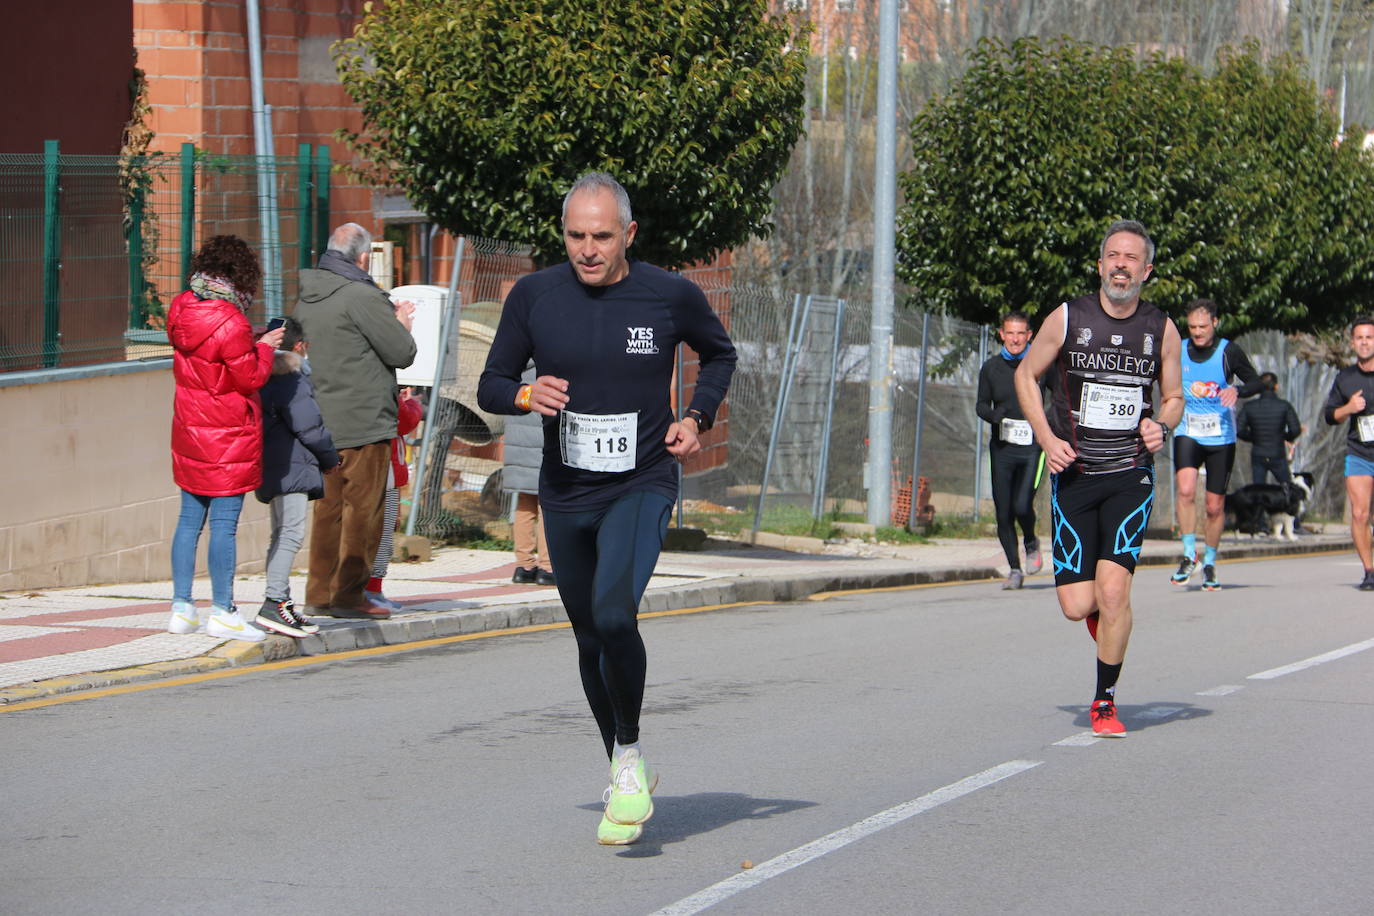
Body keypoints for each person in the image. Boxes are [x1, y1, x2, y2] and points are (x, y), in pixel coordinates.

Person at [477, 172, 737, 845]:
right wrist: (530, 397)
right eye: (575, 236)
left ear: (629, 234)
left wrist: (697, 416)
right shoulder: (535, 295)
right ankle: (623, 763)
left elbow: (719, 353)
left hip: (642, 479)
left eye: (600, 236)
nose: (587, 250)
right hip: (566, 490)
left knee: (617, 613)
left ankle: (627, 752)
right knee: (590, 638)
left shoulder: (669, 295)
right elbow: (493, 382)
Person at [1014, 219, 1183, 738]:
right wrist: (1045, 436)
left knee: (1114, 595)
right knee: (1077, 605)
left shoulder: (1163, 329)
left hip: (1130, 475)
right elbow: (1026, 374)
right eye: (1113, 255)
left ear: (1146, 271)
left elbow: (1174, 397)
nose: (1120, 265)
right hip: (1075, 473)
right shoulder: (1068, 318)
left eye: (1131, 258)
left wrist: (1162, 424)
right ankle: (1105, 625)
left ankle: (1104, 702)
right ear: (1100, 264)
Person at [293, 223, 417, 620]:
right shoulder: (362, 296)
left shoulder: (308, 296)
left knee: (327, 510)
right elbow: (402, 352)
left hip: (321, 422)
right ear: (363, 258)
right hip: (364, 421)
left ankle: (319, 593)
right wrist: (402, 324)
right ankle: (349, 595)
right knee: (364, 510)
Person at [165, 235, 286, 643]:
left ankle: (181, 608)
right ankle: (224, 611)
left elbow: (209, 362)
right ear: (240, 275)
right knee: (224, 525)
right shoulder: (231, 320)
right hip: (227, 433)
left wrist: (250, 347)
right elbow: (248, 377)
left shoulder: (182, 306)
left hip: (190, 427)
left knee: (187, 521)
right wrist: (266, 347)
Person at [254, 317, 341, 637]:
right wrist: (330, 459)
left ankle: (281, 601)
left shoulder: (262, 375)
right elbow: (310, 426)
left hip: (271, 463)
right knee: (290, 534)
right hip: (292, 464)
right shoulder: (292, 377)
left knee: (279, 534)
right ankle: (274, 602)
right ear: (301, 346)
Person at [1167, 298, 1262, 591]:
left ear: (1215, 323)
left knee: (1214, 505)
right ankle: (1187, 554)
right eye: (1193, 327)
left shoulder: (1227, 352)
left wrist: (1237, 390)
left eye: (1203, 327)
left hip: (1221, 435)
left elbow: (1256, 382)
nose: (1197, 332)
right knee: (1184, 490)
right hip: (1188, 430)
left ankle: (1209, 561)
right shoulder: (1178, 350)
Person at [976, 310, 1047, 589]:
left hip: (1032, 447)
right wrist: (996, 416)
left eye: (1021, 333)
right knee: (1003, 512)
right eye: (1010, 333)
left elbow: (1057, 398)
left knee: (1021, 505)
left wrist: (1046, 427)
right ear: (1001, 334)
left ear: (1029, 335)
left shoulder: (1040, 365)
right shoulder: (991, 367)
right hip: (1002, 448)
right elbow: (981, 405)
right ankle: (1014, 569)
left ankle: (1030, 540)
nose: (1015, 339)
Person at [1323, 317, 1374, 591]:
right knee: (1359, 514)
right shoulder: (1345, 378)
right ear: (1353, 342)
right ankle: (1369, 571)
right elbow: (1330, 416)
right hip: (1360, 453)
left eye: (1370, 337)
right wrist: (1350, 407)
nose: (1365, 342)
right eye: (1360, 338)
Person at [364, 386, 424, 611]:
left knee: (377, 533)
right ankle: (373, 589)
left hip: (376, 471)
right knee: (383, 534)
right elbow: (406, 420)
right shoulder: (384, 387)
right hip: (386, 470)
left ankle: (368, 588)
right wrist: (413, 403)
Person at [503, 366, 556, 586]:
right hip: (542, 446)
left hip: (518, 445)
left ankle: (523, 566)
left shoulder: (516, 372)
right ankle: (547, 566)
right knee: (548, 506)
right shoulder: (550, 371)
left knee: (524, 503)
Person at [1237, 372, 1303, 486]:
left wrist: (1254, 437)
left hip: (1258, 453)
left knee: (1258, 491)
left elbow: (1238, 429)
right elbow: (1296, 429)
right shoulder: (1284, 406)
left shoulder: (1249, 406)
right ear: (1276, 387)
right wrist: (1285, 437)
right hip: (1277, 452)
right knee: (1287, 489)